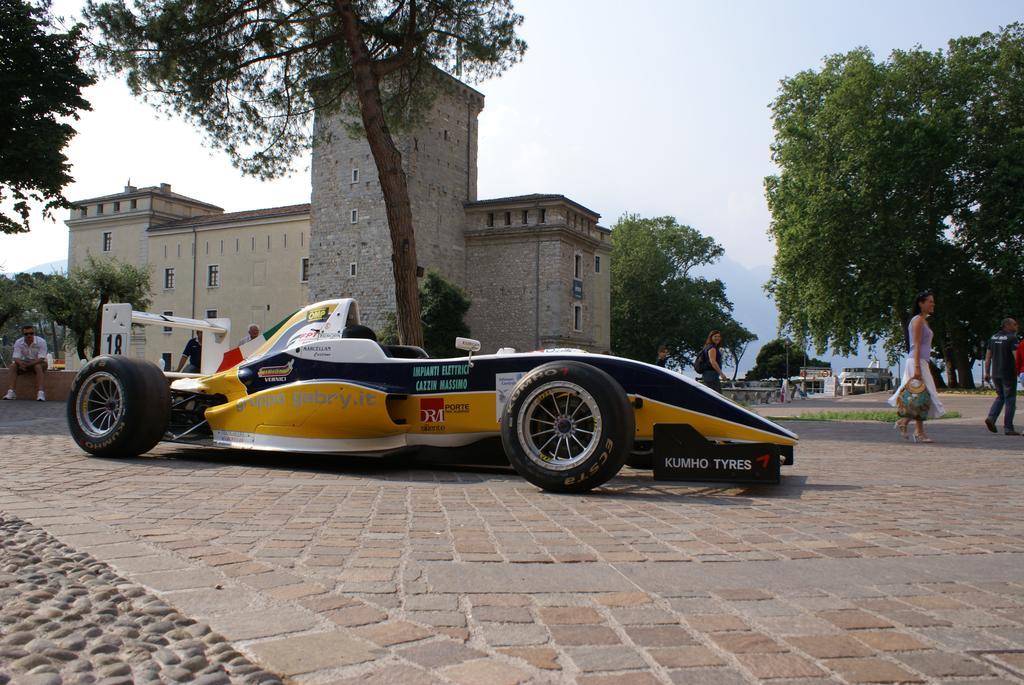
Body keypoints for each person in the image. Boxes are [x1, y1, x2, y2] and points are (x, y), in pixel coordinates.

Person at [888, 292, 945, 442]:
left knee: (922, 396)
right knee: (924, 395)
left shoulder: (924, 321)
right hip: (916, 361)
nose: (933, 304)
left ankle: (911, 426)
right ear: (921, 303)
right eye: (930, 302)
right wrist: (918, 367)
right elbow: (917, 344)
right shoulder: (918, 321)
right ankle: (912, 427)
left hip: (920, 361)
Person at [983, 317, 1020, 435]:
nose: (1016, 326)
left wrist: (987, 372)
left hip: (996, 373)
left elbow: (988, 357)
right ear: (1007, 326)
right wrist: (1020, 370)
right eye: (1014, 324)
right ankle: (1008, 428)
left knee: (1000, 397)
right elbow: (1016, 357)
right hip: (1008, 373)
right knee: (1010, 399)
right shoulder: (1012, 338)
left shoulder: (993, 338)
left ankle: (991, 418)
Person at [4, 324, 48, 401]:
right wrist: (21, 363)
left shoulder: (41, 342)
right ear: (23, 334)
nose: (29, 335)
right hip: (25, 363)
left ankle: (41, 393)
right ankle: (11, 392)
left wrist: (28, 364)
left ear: (34, 333)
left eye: (31, 333)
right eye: (26, 334)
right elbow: (15, 357)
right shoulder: (18, 342)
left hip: (40, 363)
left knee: (37, 366)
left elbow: (41, 358)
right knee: (12, 366)